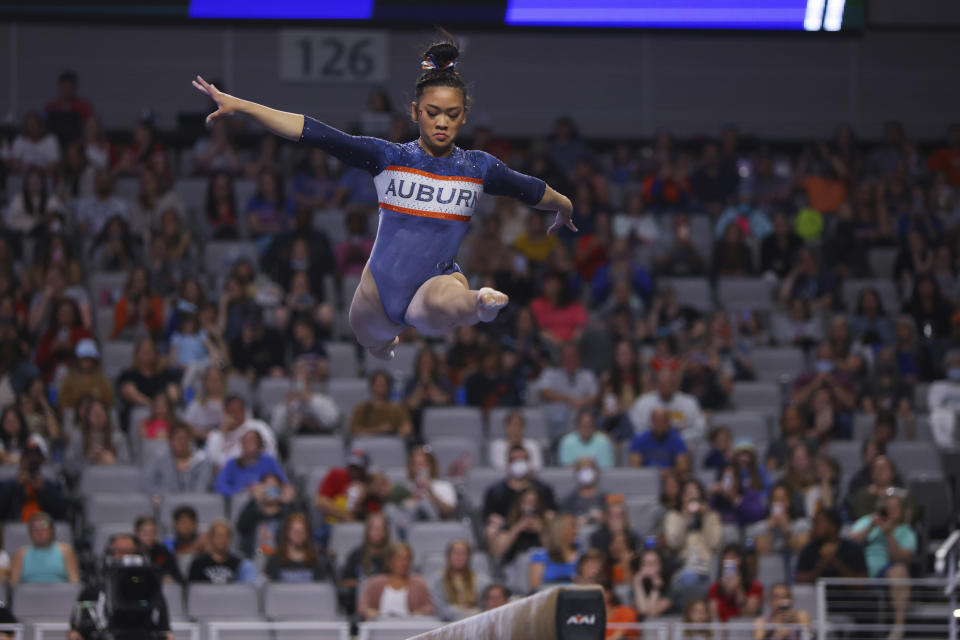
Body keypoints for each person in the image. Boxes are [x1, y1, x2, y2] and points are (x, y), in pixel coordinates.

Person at [192, 38, 575, 363]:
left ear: (463, 118)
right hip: (378, 291)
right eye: (432, 113)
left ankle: (480, 302)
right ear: (415, 112)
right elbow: (310, 131)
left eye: (452, 115)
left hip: (435, 278)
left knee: (446, 303)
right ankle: (386, 342)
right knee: (371, 341)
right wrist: (242, 106)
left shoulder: (478, 167)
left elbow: (530, 188)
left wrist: (563, 203)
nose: (441, 122)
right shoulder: (388, 156)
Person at [67, 533, 174, 640]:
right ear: (109, 554)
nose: (124, 557)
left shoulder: (151, 590)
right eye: (118, 552)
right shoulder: (92, 591)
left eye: (128, 552)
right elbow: (75, 631)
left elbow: (166, 632)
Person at [849, 490, 916, 640]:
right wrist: (872, 525)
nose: (891, 511)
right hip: (857, 569)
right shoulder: (868, 520)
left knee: (900, 570)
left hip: (885, 573)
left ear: (902, 511)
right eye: (888, 507)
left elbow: (899, 558)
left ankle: (898, 627)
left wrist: (889, 534)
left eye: (895, 508)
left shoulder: (906, 532)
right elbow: (850, 544)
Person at [482, 445, 557, 550]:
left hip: (539, 536)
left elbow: (553, 515)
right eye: (514, 460)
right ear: (507, 463)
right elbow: (488, 518)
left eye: (522, 460)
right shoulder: (496, 492)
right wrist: (517, 526)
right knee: (491, 530)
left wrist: (542, 525)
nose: (519, 463)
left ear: (529, 462)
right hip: (509, 538)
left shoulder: (543, 490)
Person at [664, 479, 722, 607]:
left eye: (695, 495)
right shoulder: (674, 516)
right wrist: (685, 517)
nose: (691, 499)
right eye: (688, 494)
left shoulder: (711, 516)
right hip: (684, 571)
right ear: (682, 496)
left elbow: (715, 544)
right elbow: (674, 542)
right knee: (688, 577)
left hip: (708, 571)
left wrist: (705, 517)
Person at [537, 342, 599, 440]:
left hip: (581, 419)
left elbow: (595, 396)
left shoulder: (587, 375)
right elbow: (544, 391)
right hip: (555, 423)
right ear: (561, 358)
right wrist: (568, 400)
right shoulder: (551, 373)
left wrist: (580, 402)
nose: (570, 360)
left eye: (573, 356)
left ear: (579, 358)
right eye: (567, 356)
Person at [358, 541, 435, 620]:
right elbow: (362, 606)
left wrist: (420, 612)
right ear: (390, 561)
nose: (405, 563)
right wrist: (369, 612)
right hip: (380, 627)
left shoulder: (419, 582)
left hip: (410, 627)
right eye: (400, 558)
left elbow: (430, 607)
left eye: (408, 559)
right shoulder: (374, 582)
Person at [0, 437, 67, 521]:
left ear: (41, 461)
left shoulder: (51, 484)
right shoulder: (9, 483)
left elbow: (62, 511)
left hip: (43, 529)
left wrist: (44, 489)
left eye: (35, 458)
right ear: (22, 461)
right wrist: (15, 486)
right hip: (16, 528)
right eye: (29, 458)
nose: (32, 461)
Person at [630, 369, 706, 441]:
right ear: (656, 384)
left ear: (676, 384)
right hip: (651, 445)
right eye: (663, 384)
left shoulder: (690, 402)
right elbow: (637, 429)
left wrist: (679, 436)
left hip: (684, 443)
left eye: (670, 384)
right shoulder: (642, 402)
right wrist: (655, 434)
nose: (666, 388)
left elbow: (699, 428)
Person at [203, 394, 276, 469]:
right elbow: (213, 460)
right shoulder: (216, 435)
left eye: (238, 411)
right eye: (232, 412)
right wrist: (222, 432)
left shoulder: (258, 427)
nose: (235, 415)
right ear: (225, 413)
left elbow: (270, 452)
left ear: (244, 411)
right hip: (229, 474)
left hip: (258, 470)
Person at [795, 508, 867, 583]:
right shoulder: (809, 549)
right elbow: (800, 580)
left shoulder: (852, 549)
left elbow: (861, 584)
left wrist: (835, 560)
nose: (813, 527)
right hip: (816, 594)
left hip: (847, 594)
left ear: (833, 526)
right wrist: (823, 563)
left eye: (817, 523)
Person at [141, 421, 213, 494]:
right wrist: (161, 496)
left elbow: (201, 489)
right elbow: (147, 484)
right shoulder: (158, 460)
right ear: (170, 441)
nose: (182, 442)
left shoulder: (202, 462)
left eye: (185, 438)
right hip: (165, 502)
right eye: (178, 438)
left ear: (190, 440)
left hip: (194, 503)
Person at [341, 512, 391, 614]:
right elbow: (344, 581)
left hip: (386, 602)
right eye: (374, 528)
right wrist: (366, 585)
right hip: (360, 603)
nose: (377, 532)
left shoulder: (392, 555)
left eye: (381, 528)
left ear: (386, 532)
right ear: (368, 531)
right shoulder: (356, 554)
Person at [10, 511, 79, 584]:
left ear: (52, 531)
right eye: (35, 530)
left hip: (60, 594)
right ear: (30, 533)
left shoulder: (65, 551)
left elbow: (75, 582)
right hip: (29, 594)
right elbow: (13, 585)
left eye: (44, 528)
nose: (40, 533)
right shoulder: (20, 554)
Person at [429, 539, 490, 621]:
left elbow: (486, 606)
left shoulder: (482, 581)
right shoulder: (436, 580)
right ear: (448, 556)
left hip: (477, 621)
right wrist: (458, 612)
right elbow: (439, 608)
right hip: (446, 624)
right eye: (455, 553)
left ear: (469, 557)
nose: (459, 557)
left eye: (463, 553)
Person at [214, 429, 287, 497]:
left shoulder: (269, 462)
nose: (248, 445)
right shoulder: (232, 464)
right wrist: (242, 491)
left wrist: (264, 491)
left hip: (264, 502)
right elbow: (219, 486)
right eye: (245, 441)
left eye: (252, 441)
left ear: (259, 445)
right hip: (238, 504)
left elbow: (284, 487)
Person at [264, 512, 331, 582]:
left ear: (308, 533)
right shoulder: (275, 560)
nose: (299, 535)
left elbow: (321, 588)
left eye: (303, 531)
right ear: (287, 532)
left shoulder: (317, 560)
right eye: (295, 531)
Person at [317, 449, 379, 523]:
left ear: (365, 468)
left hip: (362, 525)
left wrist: (364, 497)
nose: (354, 471)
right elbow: (320, 501)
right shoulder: (336, 475)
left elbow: (375, 514)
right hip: (332, 525)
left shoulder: (370, 482)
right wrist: (345, 515)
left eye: (358, 468)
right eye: (352, 466)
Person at [187, 520, 257, 584]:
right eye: (218, 536)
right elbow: (192, 592)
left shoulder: (239, 564)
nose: (221, 540)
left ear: (230, 539)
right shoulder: (198, 564)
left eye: (225, 536)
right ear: (210, 538)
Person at [707, 544, 763, 623]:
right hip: (722, 630)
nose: (729, 561)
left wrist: (738, 589)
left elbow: (749, 614)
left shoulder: (755, 586)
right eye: (726, 558)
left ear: (741, 560)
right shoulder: (714, 588)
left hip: (744, 629)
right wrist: (726, 591)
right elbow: (713, 617)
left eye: (733, 558)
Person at [349, 370, 413, 437]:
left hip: (391, 443)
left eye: (383, 384)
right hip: (366, 444)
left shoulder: (398, 408)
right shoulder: (361, 408)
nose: (380, 386)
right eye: (378, 384)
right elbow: (354, 431)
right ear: (372, 386)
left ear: (389, 386)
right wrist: (378, 430)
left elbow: (407, 428)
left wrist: (395, 431)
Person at [528, 513, 580, 591]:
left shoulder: (582, 553)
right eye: (572, 527)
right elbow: (535, 587)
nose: (575, 532)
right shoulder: (540, 556)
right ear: (559, 531)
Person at [57, 338, 113, 411]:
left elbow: (108, 403)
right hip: (74, 417)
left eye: (89, 359)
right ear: (78, 360)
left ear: (94, 361)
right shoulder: (68, 379)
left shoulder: (102, 380)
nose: (86, 362)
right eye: (84, 359)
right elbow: (63, 404)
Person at [629, 406, 690, 471]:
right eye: (657, 421)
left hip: (670, 478)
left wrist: (667, 473)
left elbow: (683, 468)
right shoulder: (639, 439)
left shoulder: (677, 440)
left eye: (663, 421)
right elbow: (635, 467)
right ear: (652, 421)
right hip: (645, 478)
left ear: (668, 422)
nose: (660, 425)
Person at [134, 515, 183, 584]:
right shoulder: (131, 552)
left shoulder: (163, 551)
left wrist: (170, 578)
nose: (149, 536)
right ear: (137, 533)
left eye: (152, 532)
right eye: (144, 533)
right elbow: (129, 577)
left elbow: (177, 576)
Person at [560, 458, 607, 524]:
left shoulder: (605, 498)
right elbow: (562, 520)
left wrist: (603, 518)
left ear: (596, 472)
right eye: (583, 469)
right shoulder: (568, 500)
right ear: (576, 473)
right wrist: (575, 520)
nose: (586, 473)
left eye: (589, 469)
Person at [632, 548, 672, 621]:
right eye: (645, 564)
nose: (648, 567)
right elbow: (643, 610)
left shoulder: (671, 588)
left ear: (660, 566)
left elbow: (652, 613)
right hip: (644, 628)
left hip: (664, 626)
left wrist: (656, 588)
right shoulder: (638, 585)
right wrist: (638, 585)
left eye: (652, 563)